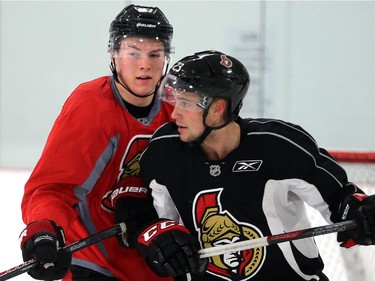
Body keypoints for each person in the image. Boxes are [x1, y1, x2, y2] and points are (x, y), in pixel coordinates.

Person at [137, 50, 375, 281]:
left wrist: (361, 213)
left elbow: (339, 197)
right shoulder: (164, 152)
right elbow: (146, 212)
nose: (174, 114)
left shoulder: (279, 146)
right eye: (175, 101)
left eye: (186, 103)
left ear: (217, 109)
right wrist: (158, 236)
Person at [19, 4, 176, 281]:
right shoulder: (91, 105)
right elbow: (53, 188)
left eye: (155, 54)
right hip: (93, 258)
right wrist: (44, 230)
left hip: (157, 257)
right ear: (113, 55)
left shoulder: (175, 106)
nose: (145, 64)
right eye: (133, 53)